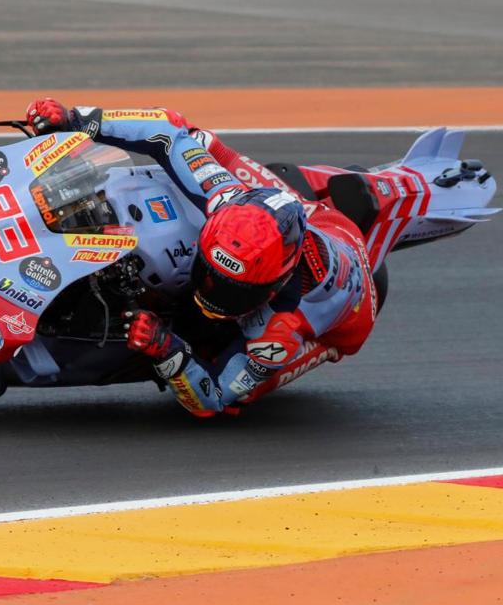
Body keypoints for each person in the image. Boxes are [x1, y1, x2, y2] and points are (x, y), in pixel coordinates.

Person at [26, 97, 378, 418]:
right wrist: (76, 118)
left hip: (348, 320)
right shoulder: (225, 196)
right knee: (202, 142)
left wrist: (167, 349)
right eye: (208, 273)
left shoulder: (279, 331)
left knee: (233, 388)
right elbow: (166, 129)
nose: (209, 293)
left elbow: (214, 398)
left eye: (232, 291)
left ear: (273, 287)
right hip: (313, 217)